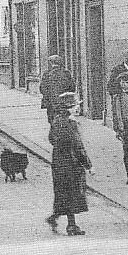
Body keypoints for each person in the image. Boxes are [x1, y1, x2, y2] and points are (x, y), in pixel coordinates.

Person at [46, 92, 91, 236]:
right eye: (76, 105)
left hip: (58, 161)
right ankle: (69, 225)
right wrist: (88, 164)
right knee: (73, 192)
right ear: (69, 107)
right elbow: (78, 145)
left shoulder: (56, 120)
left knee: (63, 193)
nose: (78, 108)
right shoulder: (71, 123)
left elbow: (51, 139)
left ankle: (60, 220)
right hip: (71, 162)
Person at [40, 55, 76, 125]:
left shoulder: (46, 74)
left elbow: (42, 89)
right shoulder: (66, 73)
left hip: (51, 102)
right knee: (65, 120)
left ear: (51, 63)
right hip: (64, 101)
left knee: (52, 121)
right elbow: (72, 87)